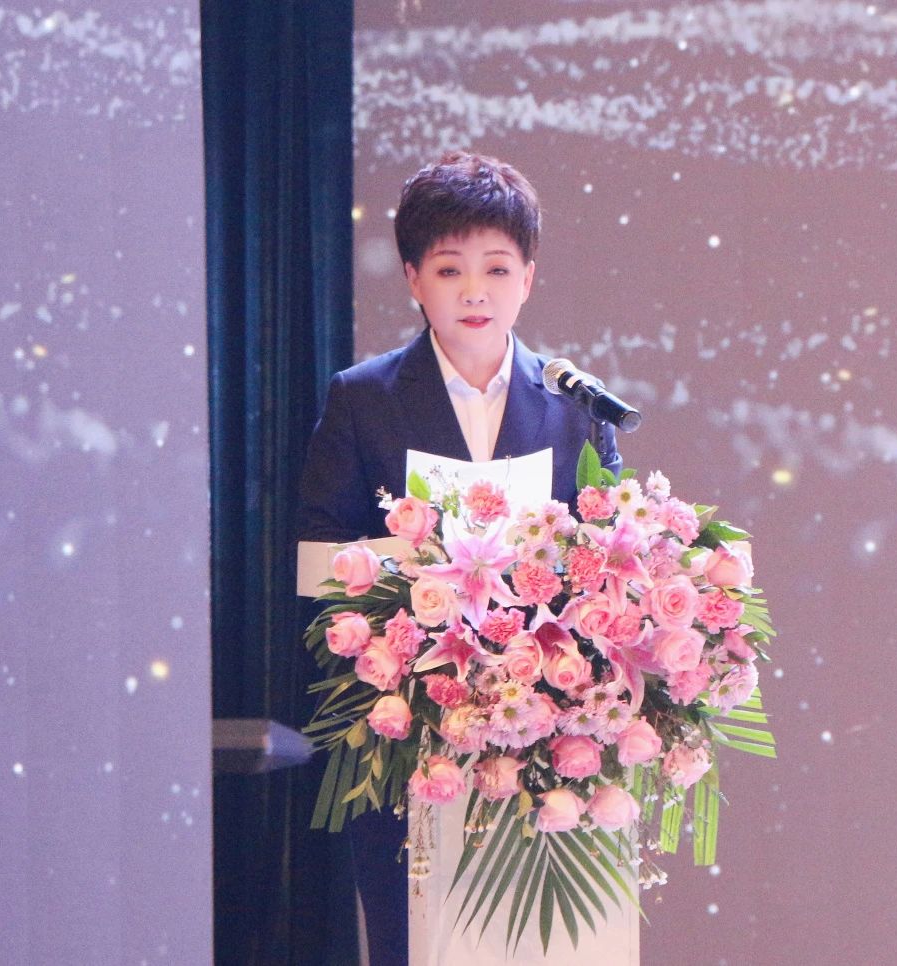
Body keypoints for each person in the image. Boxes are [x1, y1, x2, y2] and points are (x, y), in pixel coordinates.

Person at [296, 151, 621, 966]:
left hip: (546, 735)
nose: (475, 291)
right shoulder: (363, 397)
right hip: (408, 735)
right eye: (449, 269)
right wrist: (416, 565)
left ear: (528, 279)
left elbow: (615, 560)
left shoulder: (576, 406)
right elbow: (311, 562)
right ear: (413, 278)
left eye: (497, 269)